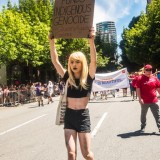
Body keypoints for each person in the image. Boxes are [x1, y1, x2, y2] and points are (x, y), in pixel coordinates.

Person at [49, 27, 96, 160]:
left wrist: (91, 41)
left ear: (82, 63)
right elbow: (55, 61)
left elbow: (94, 61)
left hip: (82, 116)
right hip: (69, 116)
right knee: (71, 154)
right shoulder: (67, 77)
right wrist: (51, 42)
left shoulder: (88, 77)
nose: (74, 64)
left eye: (77, 62)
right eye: (72, 62)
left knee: (87, 154)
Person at [136, 64, 160, 132]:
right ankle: (143, 126)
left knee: (157, 114)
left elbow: (158, 88)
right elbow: (138, 89)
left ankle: (159, 127)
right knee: (143, 115)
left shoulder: (154, 78)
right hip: (144, 101)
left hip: (153, 100)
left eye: (150, 70)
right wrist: (140, 98)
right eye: (147, 70)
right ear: (144, 70)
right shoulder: (140, 78)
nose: (149, 71)